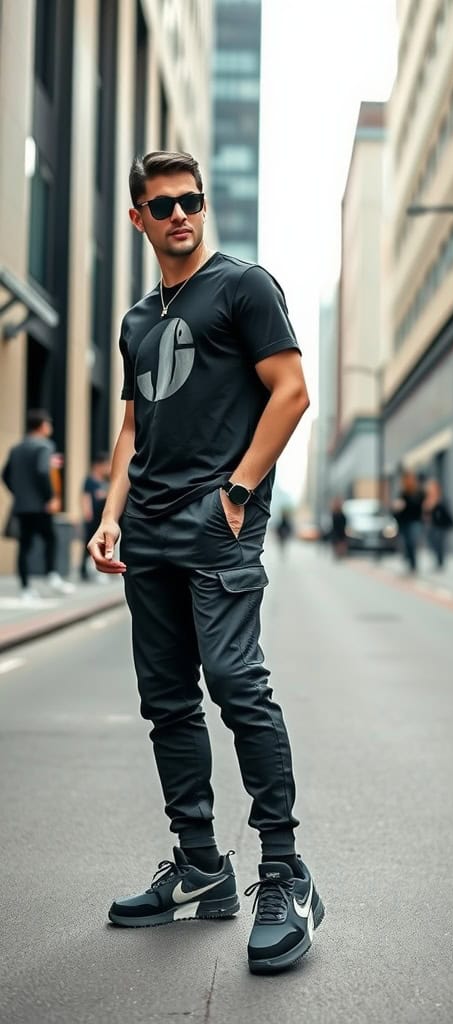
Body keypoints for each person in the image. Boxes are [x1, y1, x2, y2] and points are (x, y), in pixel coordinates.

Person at [87, 151, 323, 973]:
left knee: (234, 684)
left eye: (191, 200)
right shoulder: (136, 320)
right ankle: (199, 867)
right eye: (163, 205)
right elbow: (131, 428)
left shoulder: (244, 286)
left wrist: (238, 491)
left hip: (216, 523)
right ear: (139, 219)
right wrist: (109, 517)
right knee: (166, 701)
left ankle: (285, 874)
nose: (180, 214)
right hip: (146, 529)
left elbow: (291, 391)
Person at [1, 409, 74, 601]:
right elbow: (43, 472)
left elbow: (5, 475)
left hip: (22, 506)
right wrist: (50, 497)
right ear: (42, 426)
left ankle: (25, 588)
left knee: (24, 546)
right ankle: (52, 575)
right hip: (41, 506)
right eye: (48, 423)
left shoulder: (16, 448)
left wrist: (19, 493)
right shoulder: (45, 446)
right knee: (50, 538)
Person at [79, 452, 111, 581]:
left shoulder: (105, 481)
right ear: (98, 465)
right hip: (92, 519)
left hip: (102, 518)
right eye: (105, 465)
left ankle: (100, 570)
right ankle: (84, 570)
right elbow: (85, 497)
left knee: (102, 544)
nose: (107, 468)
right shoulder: (89, 481)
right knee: (88, 544)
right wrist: (87, 513)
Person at [392, 469, 424, 573]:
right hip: (404, 522)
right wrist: (396, 507)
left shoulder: (418, 493)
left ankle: (413, 564)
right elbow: (397, 509)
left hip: (414, 521)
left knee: (412, 542)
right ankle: (409, 562)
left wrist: (405, 504)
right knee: (406, 543)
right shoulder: (403, 493)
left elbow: (418, 506)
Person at [423, 478, 453, 570]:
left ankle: (440, 562)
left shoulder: (441, 499)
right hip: (432, 525)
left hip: (441, 525)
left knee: (440, 543)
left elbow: (445, 512)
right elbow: (425, 513)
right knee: (432, 542)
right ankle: (438, 560)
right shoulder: (427, 499)